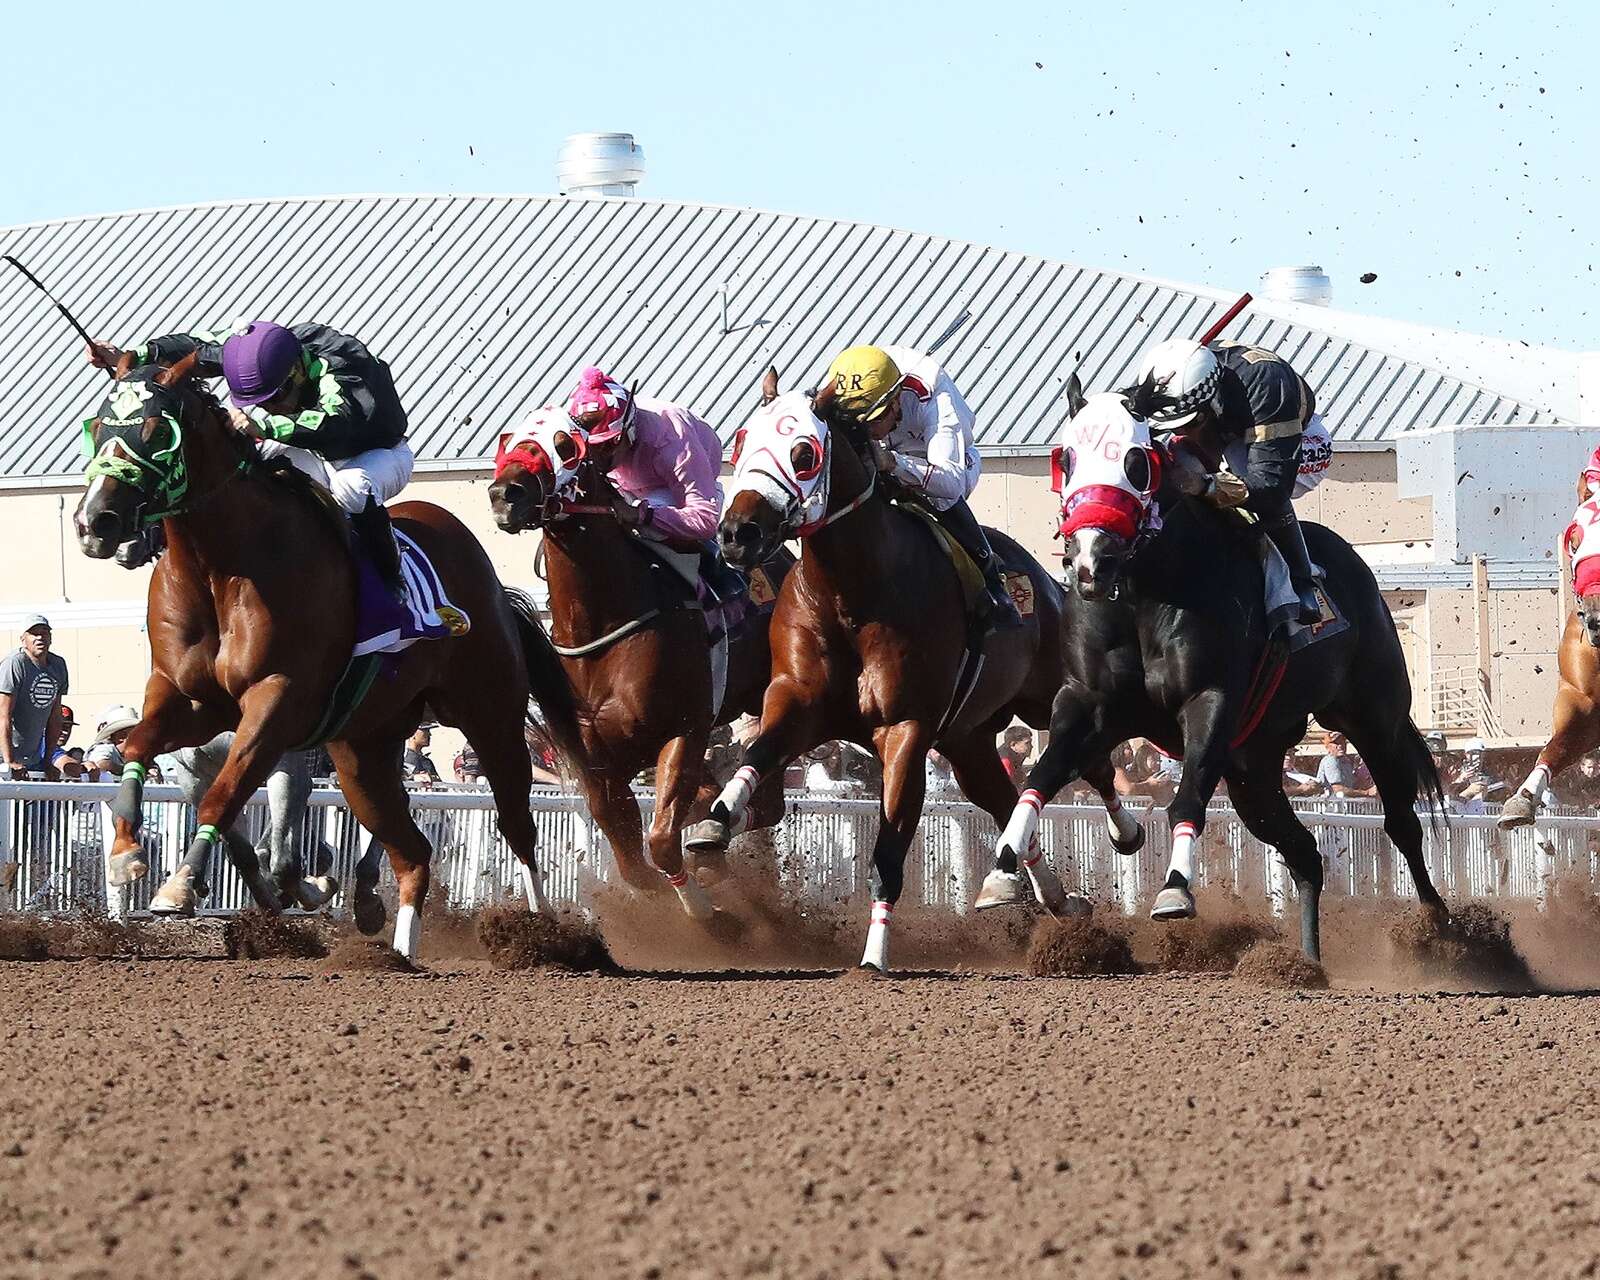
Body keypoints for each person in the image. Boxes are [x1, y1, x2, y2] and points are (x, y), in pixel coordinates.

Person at [87, 321, 413, 598]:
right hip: (311, 448)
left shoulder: (342, 366)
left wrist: (267, 425)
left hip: (375, 453)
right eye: (265, 403)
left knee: (350, 488)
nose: (269, 407)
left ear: (297, 371)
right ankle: (156, 530)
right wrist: (131, 355)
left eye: (275, 398)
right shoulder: (259, 351)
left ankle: (392, 576)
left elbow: (336, 421)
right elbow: (198, 348)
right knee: (239, 456)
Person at [822, 344, 1021, 627]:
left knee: (942, 497)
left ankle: (990, 579)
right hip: (886, 454)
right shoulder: (845, 390)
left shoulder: (935, 398)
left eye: (873, 421)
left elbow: (951, 484)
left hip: (942, 461)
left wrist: (893, 463)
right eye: (860, 425)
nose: (868, 432)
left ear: (895, 401)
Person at [1131, 337, 1324, 624]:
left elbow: (1271, 487)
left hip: (1296, 439)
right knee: (1173, 460)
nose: (1182, 430)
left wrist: (1206, 485)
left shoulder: (1266, 385)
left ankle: (1300, 580)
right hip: (1224, 428)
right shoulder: (1171, 377)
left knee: (1239, 470)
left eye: (1189, 422)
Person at [565, 366, 724, 556]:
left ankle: (714, 575)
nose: (598, 456)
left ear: (629, 429)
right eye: (589, 446)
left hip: (683, 490)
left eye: (608, 444)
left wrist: (644, 515)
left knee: (645, 527)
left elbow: (705, 520)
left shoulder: (672, 439)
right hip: (630, 489)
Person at [0, 617, 68, 780]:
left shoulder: (58, 665)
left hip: (33, 758)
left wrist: (48, 760)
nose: (40, 638)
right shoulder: (15, 664)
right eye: (34, 634)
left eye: (44, 633)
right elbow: (4, 716)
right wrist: (9, 761)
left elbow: (55, 717)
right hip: (3, 759)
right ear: (23, 639)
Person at [84, 705, 140, 780]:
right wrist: (129, 770)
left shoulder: (137, 753)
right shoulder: (105, 748)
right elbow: (100, 763)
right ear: (121, 737)